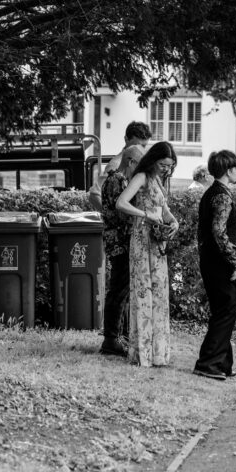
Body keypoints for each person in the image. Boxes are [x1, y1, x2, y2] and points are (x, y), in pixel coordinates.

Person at [116, 141, 179, 367]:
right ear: (153, 160)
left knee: (160, 295)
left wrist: (173, 222)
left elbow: (163, 208)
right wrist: (144, 214)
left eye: (170, 166)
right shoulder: (141, 177)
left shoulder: (159, 181)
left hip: (157, 242)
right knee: (144, 293)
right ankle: (142, 352)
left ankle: (158, 353)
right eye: (163, 164)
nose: (166, 170)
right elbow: (121, 203)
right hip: (142, 241)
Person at [192, 150, 236, 380]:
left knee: (222, 312)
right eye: (235, 169)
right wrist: (232, 259)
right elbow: (218, 231)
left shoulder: (210, 193)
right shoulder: (222, 196)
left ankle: (223, 362)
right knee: (225, 312)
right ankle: (208, 362)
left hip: (210, 260)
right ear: (227, 170)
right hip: (220, 263)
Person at [97, 143, 144, 357]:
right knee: (118, 290)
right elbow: (121, 214)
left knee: (122, 290)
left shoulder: (121, 180)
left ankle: (118, 336)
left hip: (121, 240)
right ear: (131, 162)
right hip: (119, 242)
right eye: (139, 163)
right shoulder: (116, 180)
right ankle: (111, 339)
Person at [88, 121, 152, 210]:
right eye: (136, 145)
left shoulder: (145, 164)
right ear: (126, 139)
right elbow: (94, 195)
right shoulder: (115, 165)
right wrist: (110, 219)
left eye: (143, 146)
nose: (139, 150)